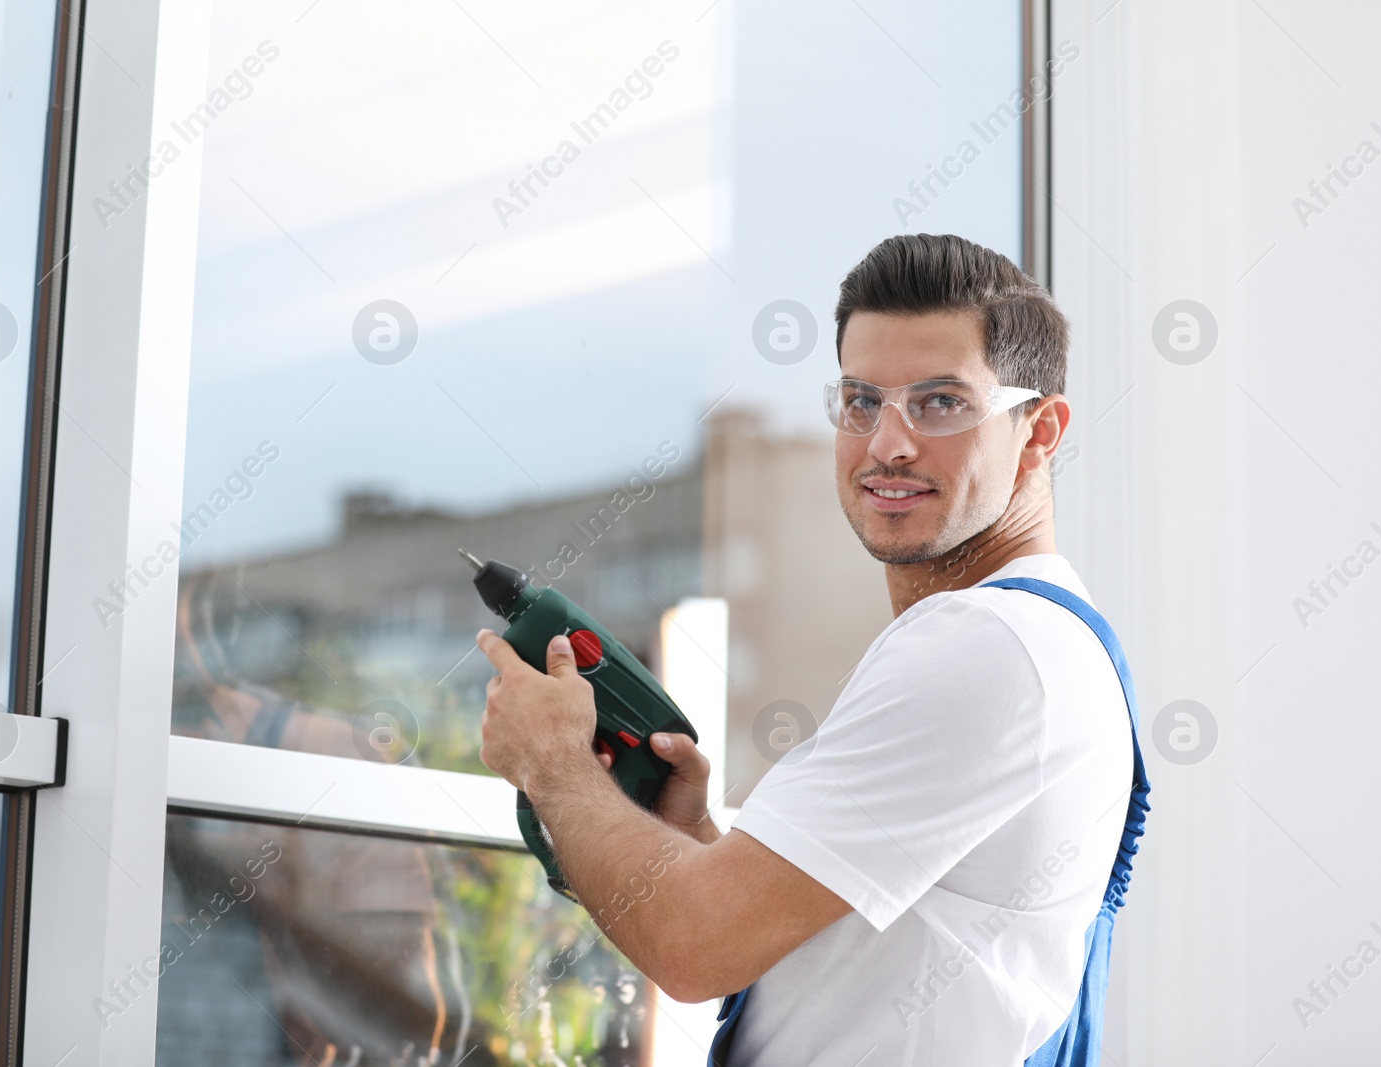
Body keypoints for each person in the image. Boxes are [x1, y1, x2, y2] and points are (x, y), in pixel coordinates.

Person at [474, 233, 1149, 1064]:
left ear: (1040, 431)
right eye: (862, 400)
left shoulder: (988, 644)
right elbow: (843, 970)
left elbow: (695, 945)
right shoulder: (1039, 643)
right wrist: (690, 842)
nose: (887, 443)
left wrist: (553, 763)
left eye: (940, 402)